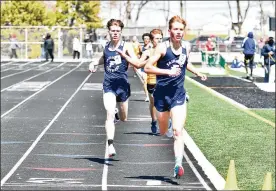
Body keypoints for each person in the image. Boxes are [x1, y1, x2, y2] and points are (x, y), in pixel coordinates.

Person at [144, 15, 207, 179]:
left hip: (178, 95)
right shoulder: (163, 48)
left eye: (181, 29)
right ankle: (167, 123)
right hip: (161, 96)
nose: (179, 32)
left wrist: (197, 72)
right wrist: (167, 71)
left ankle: (178, 164)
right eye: (176, 29)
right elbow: (147, 67)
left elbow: (186, 63)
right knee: (164, 131)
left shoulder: (187, 46)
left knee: (178, 131)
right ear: (170, 31)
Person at [89, 19, 147, 157]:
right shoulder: (107, 46)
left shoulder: (126, 46)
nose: (115, 33)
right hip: (108, 85)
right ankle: (110, 145)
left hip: (123, 86)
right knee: (109, 113)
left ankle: (116, 114)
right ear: (109, 31)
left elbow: (137, 63)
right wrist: (94, 63)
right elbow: (103, 58)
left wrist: (124, 56)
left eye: (118, 31)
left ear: (121, 32)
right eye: (113, 31)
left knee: (124, 117)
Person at [140, 33, 152, 102]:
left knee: (151, 82)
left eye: (147, 39)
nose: (146, 40)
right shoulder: (142, 47)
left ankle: (151, 95)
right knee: (145, 81)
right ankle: (147, 96)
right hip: (143, 67)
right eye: (145, 39)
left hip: (150, 67)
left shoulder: (151, 46)